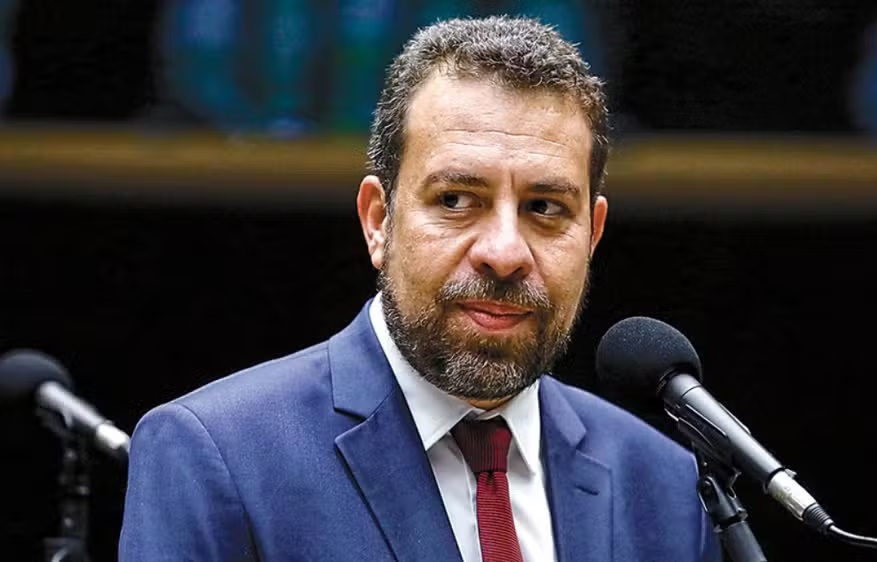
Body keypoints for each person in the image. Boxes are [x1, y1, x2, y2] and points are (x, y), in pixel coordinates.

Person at [120, 16, 721, 562]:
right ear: (378, 221)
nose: (504, 253)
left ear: (592, 234)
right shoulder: (217, 455)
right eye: (456, 200)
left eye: (544, 207)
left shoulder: (666, 489)